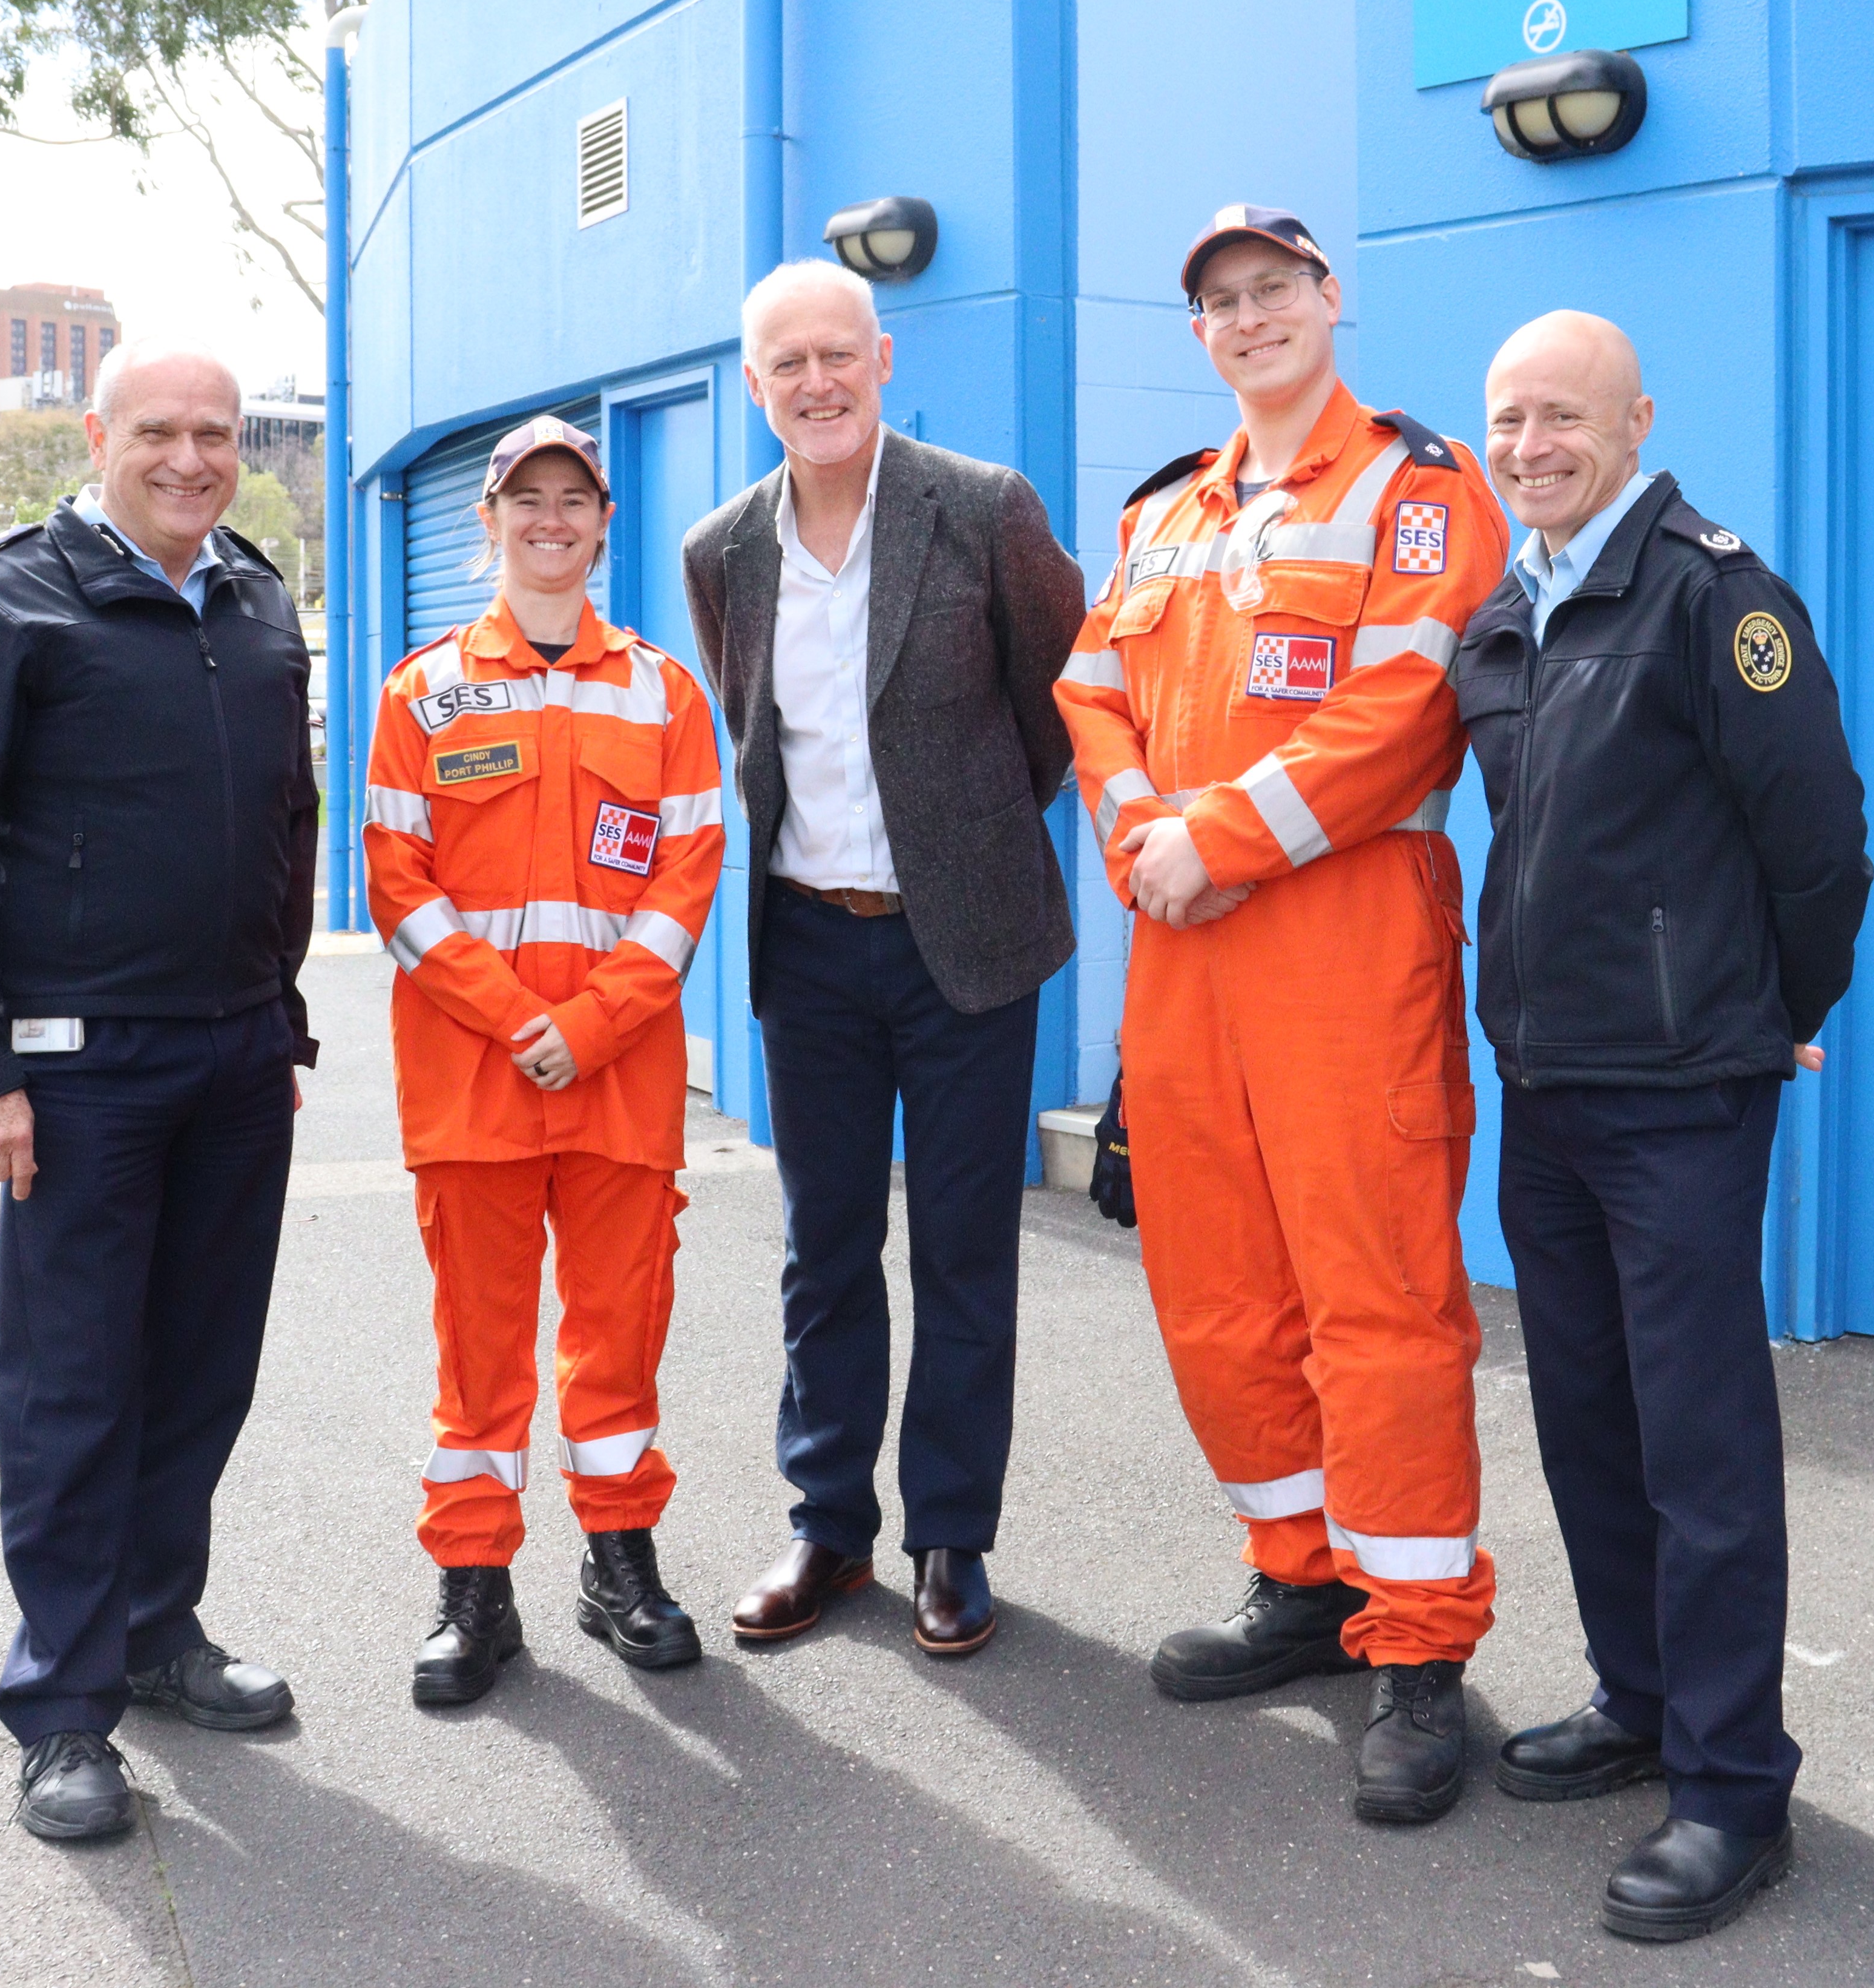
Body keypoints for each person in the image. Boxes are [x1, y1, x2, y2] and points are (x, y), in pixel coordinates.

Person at [1054, 206, 1508, 1826]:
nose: (1250, 320)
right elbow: (1093, 689)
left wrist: (1216, 842)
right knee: (1218, 1286)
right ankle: (1301, 1578)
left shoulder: (1418, 488)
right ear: (1199, 335)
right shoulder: (1166, 515)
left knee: (1376, 1296)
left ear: (1332, 300)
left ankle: (1417, 1647)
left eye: (1274, 292)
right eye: (1222, 305)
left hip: (1341, 939)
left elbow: (1406, 705)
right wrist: (1137, 840)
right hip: (1183, 949)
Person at [1457, 309, 1870, 1941]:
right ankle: (1639, 1700)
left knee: (1698, 1443)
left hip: (1684, 1093)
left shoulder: (1717, 599)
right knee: (1589, 1421)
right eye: (1509, 419)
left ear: (1636, 418)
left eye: (1565, 414)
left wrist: (1777, 1017)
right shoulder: (1512, 611)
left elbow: (1819, 843)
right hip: (1547, 1088)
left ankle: (1729, 1789)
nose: (1532, 444)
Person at [0, 337, 315, 1844]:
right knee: (76, 1389)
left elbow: (285, 817)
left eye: (217, 432)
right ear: (98, 432)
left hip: (240, 1060)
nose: (191, 457)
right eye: (160, 432)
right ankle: (62, 1708)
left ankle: (153, 1626)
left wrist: (282, 1014)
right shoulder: (7, 602)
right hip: (75, 1073)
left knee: (202, 1368)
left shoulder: (259, 600)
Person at [683, 260, 1085, 1659]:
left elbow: (1059, 709)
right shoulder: (721, 548)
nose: (815, 380)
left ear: (882, 356)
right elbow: (758, 745)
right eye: (785, 362)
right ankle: (827, 1524)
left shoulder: (979, 508)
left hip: (964, 939)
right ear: (753, 385)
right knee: (824, 1248)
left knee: (964, 1250)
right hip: (806, 944)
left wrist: (958, 842)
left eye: (835, 354)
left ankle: (950, 1535)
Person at [364, 416, 725, 1699]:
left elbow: (686, 880)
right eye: (528, 499)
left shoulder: (664, 691)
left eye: (574, 499)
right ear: (492, 520)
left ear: (601, 521)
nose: (550, 519)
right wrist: (520, 1020)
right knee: (479, 1345)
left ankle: (616, 1556)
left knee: (618, 1334)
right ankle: (473, 1586)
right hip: (476, 1076)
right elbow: (395, 884)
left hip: (617, 1076)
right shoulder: (423, 690)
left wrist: (588, 1025)